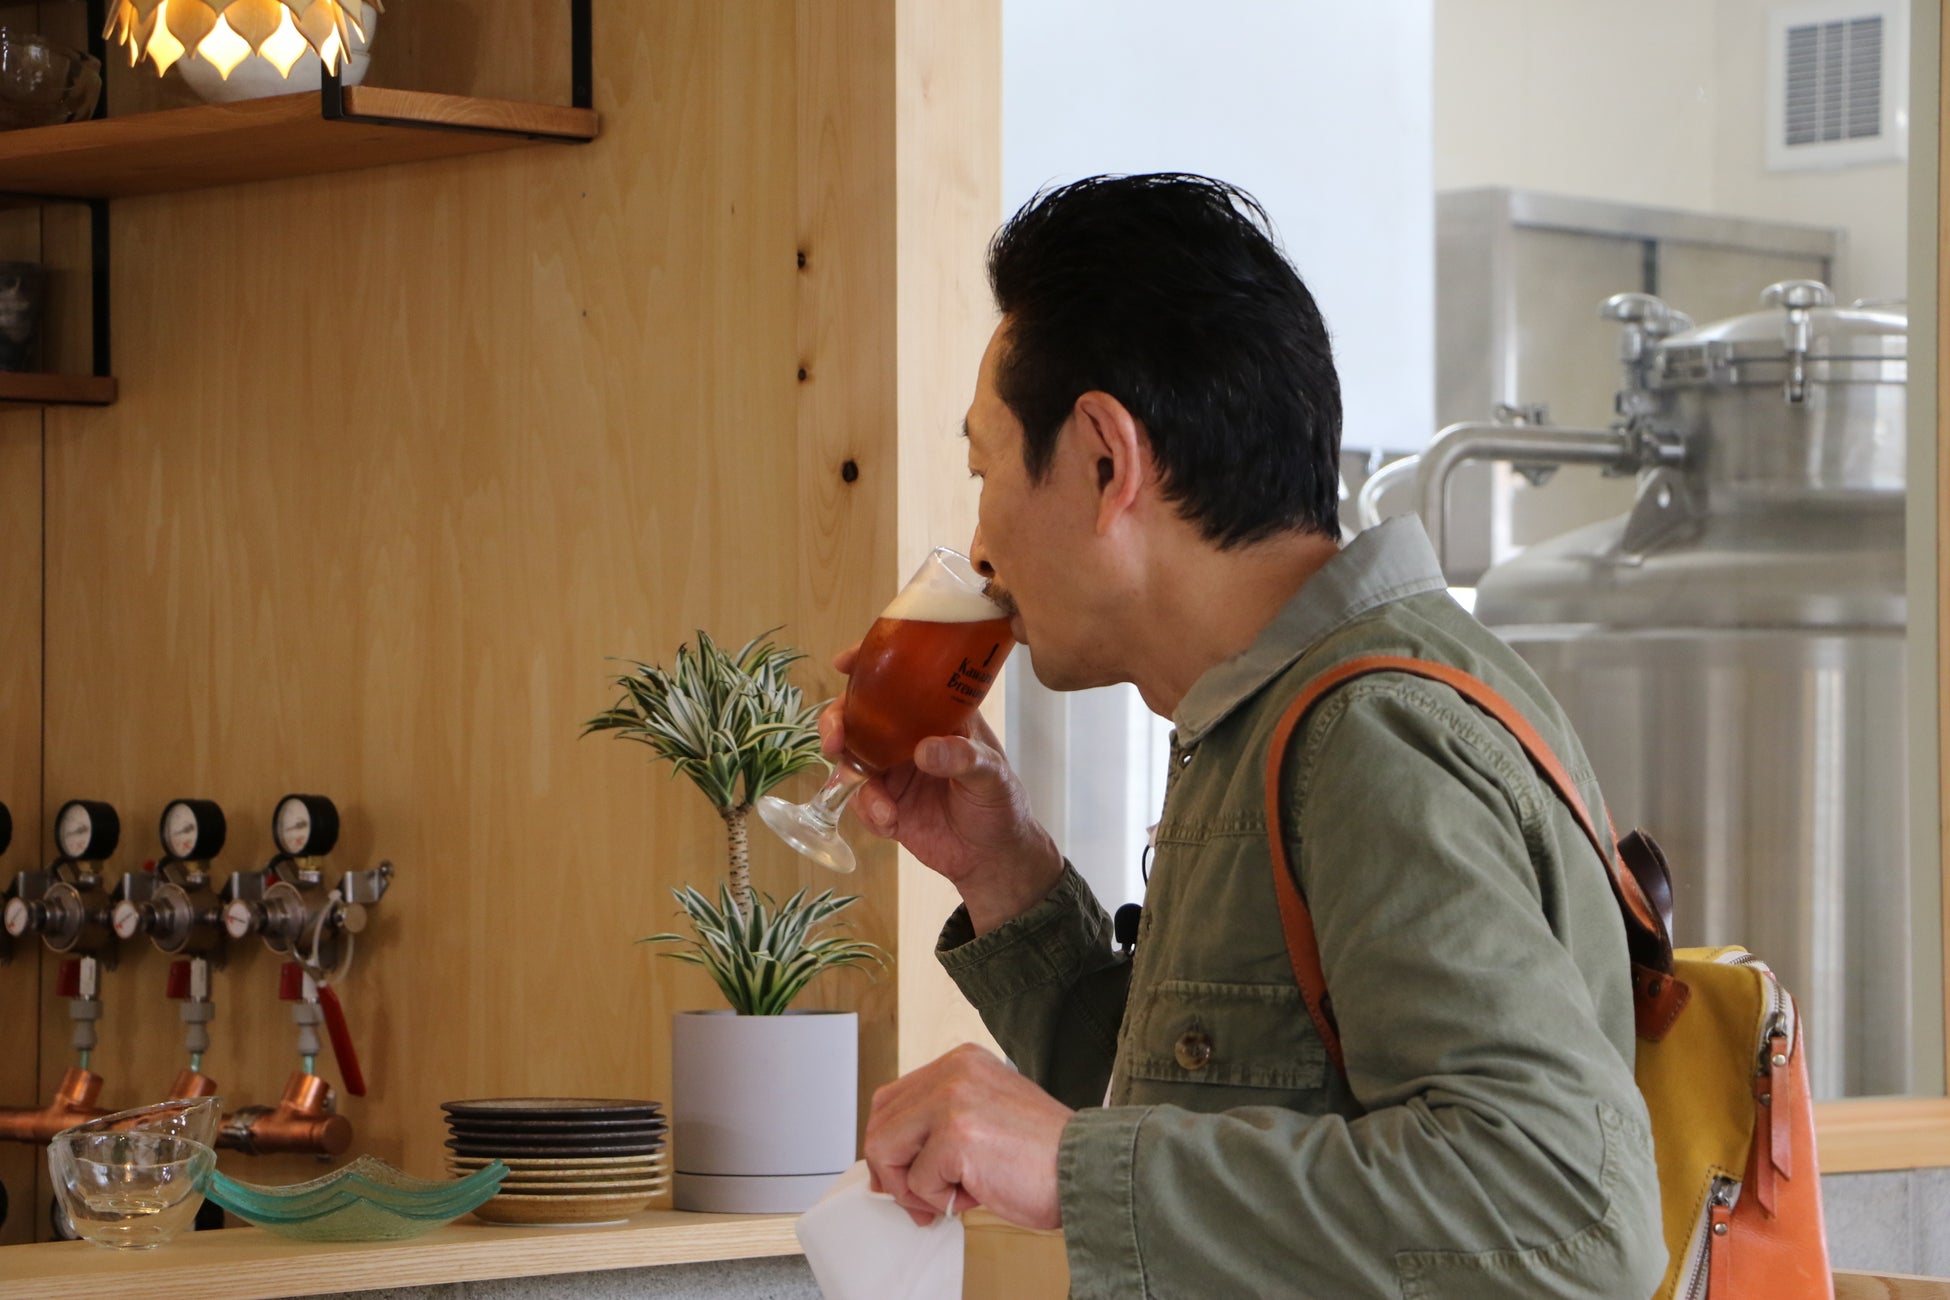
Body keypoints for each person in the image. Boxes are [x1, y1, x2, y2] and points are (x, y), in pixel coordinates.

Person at [832, 173, 1666, 1299]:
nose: (980, 547)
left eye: (985, 470)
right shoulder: (1268, 719)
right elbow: (1211, 1110)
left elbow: (1564, 1214)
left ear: (1105, 459)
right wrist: (1005, 875)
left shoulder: (1370, 736)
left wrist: (1072, 1164)